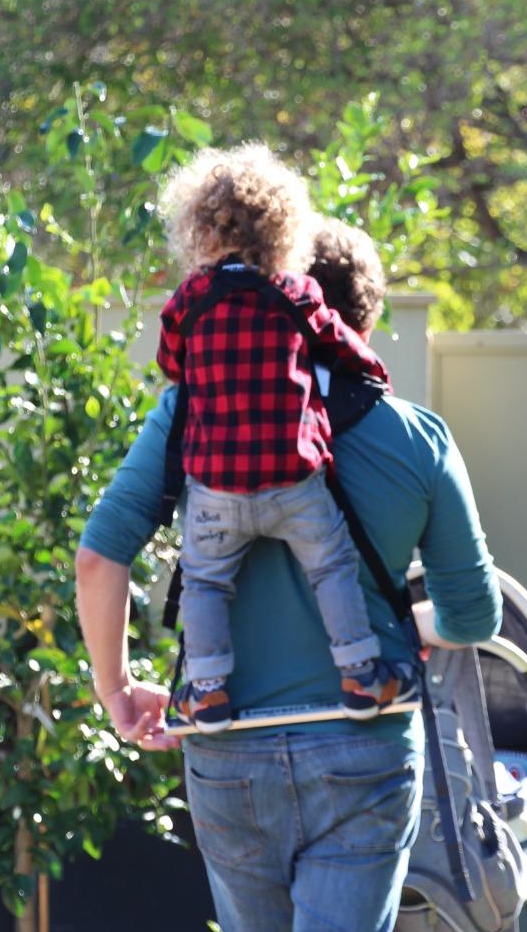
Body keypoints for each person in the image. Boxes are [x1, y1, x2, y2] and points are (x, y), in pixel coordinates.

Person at [75, 209, 502, 932]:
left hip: (225, 750)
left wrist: (116, 685)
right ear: (357, 318)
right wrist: (386, 616)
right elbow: (469, 610)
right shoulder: (411, 437)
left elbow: (101, 551)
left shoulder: (188, 412)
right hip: (362, 747)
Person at [155, 143, 414, 730]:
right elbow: (341, 344)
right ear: (285, 232)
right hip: (295, 483)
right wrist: (375, 376)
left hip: (218, 489)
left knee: (204, 582)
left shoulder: (190, 303)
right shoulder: (295, 295)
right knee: (332, 569)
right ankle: (359, 675)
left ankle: (208, 692)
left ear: (198, 231)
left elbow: (171, 365)